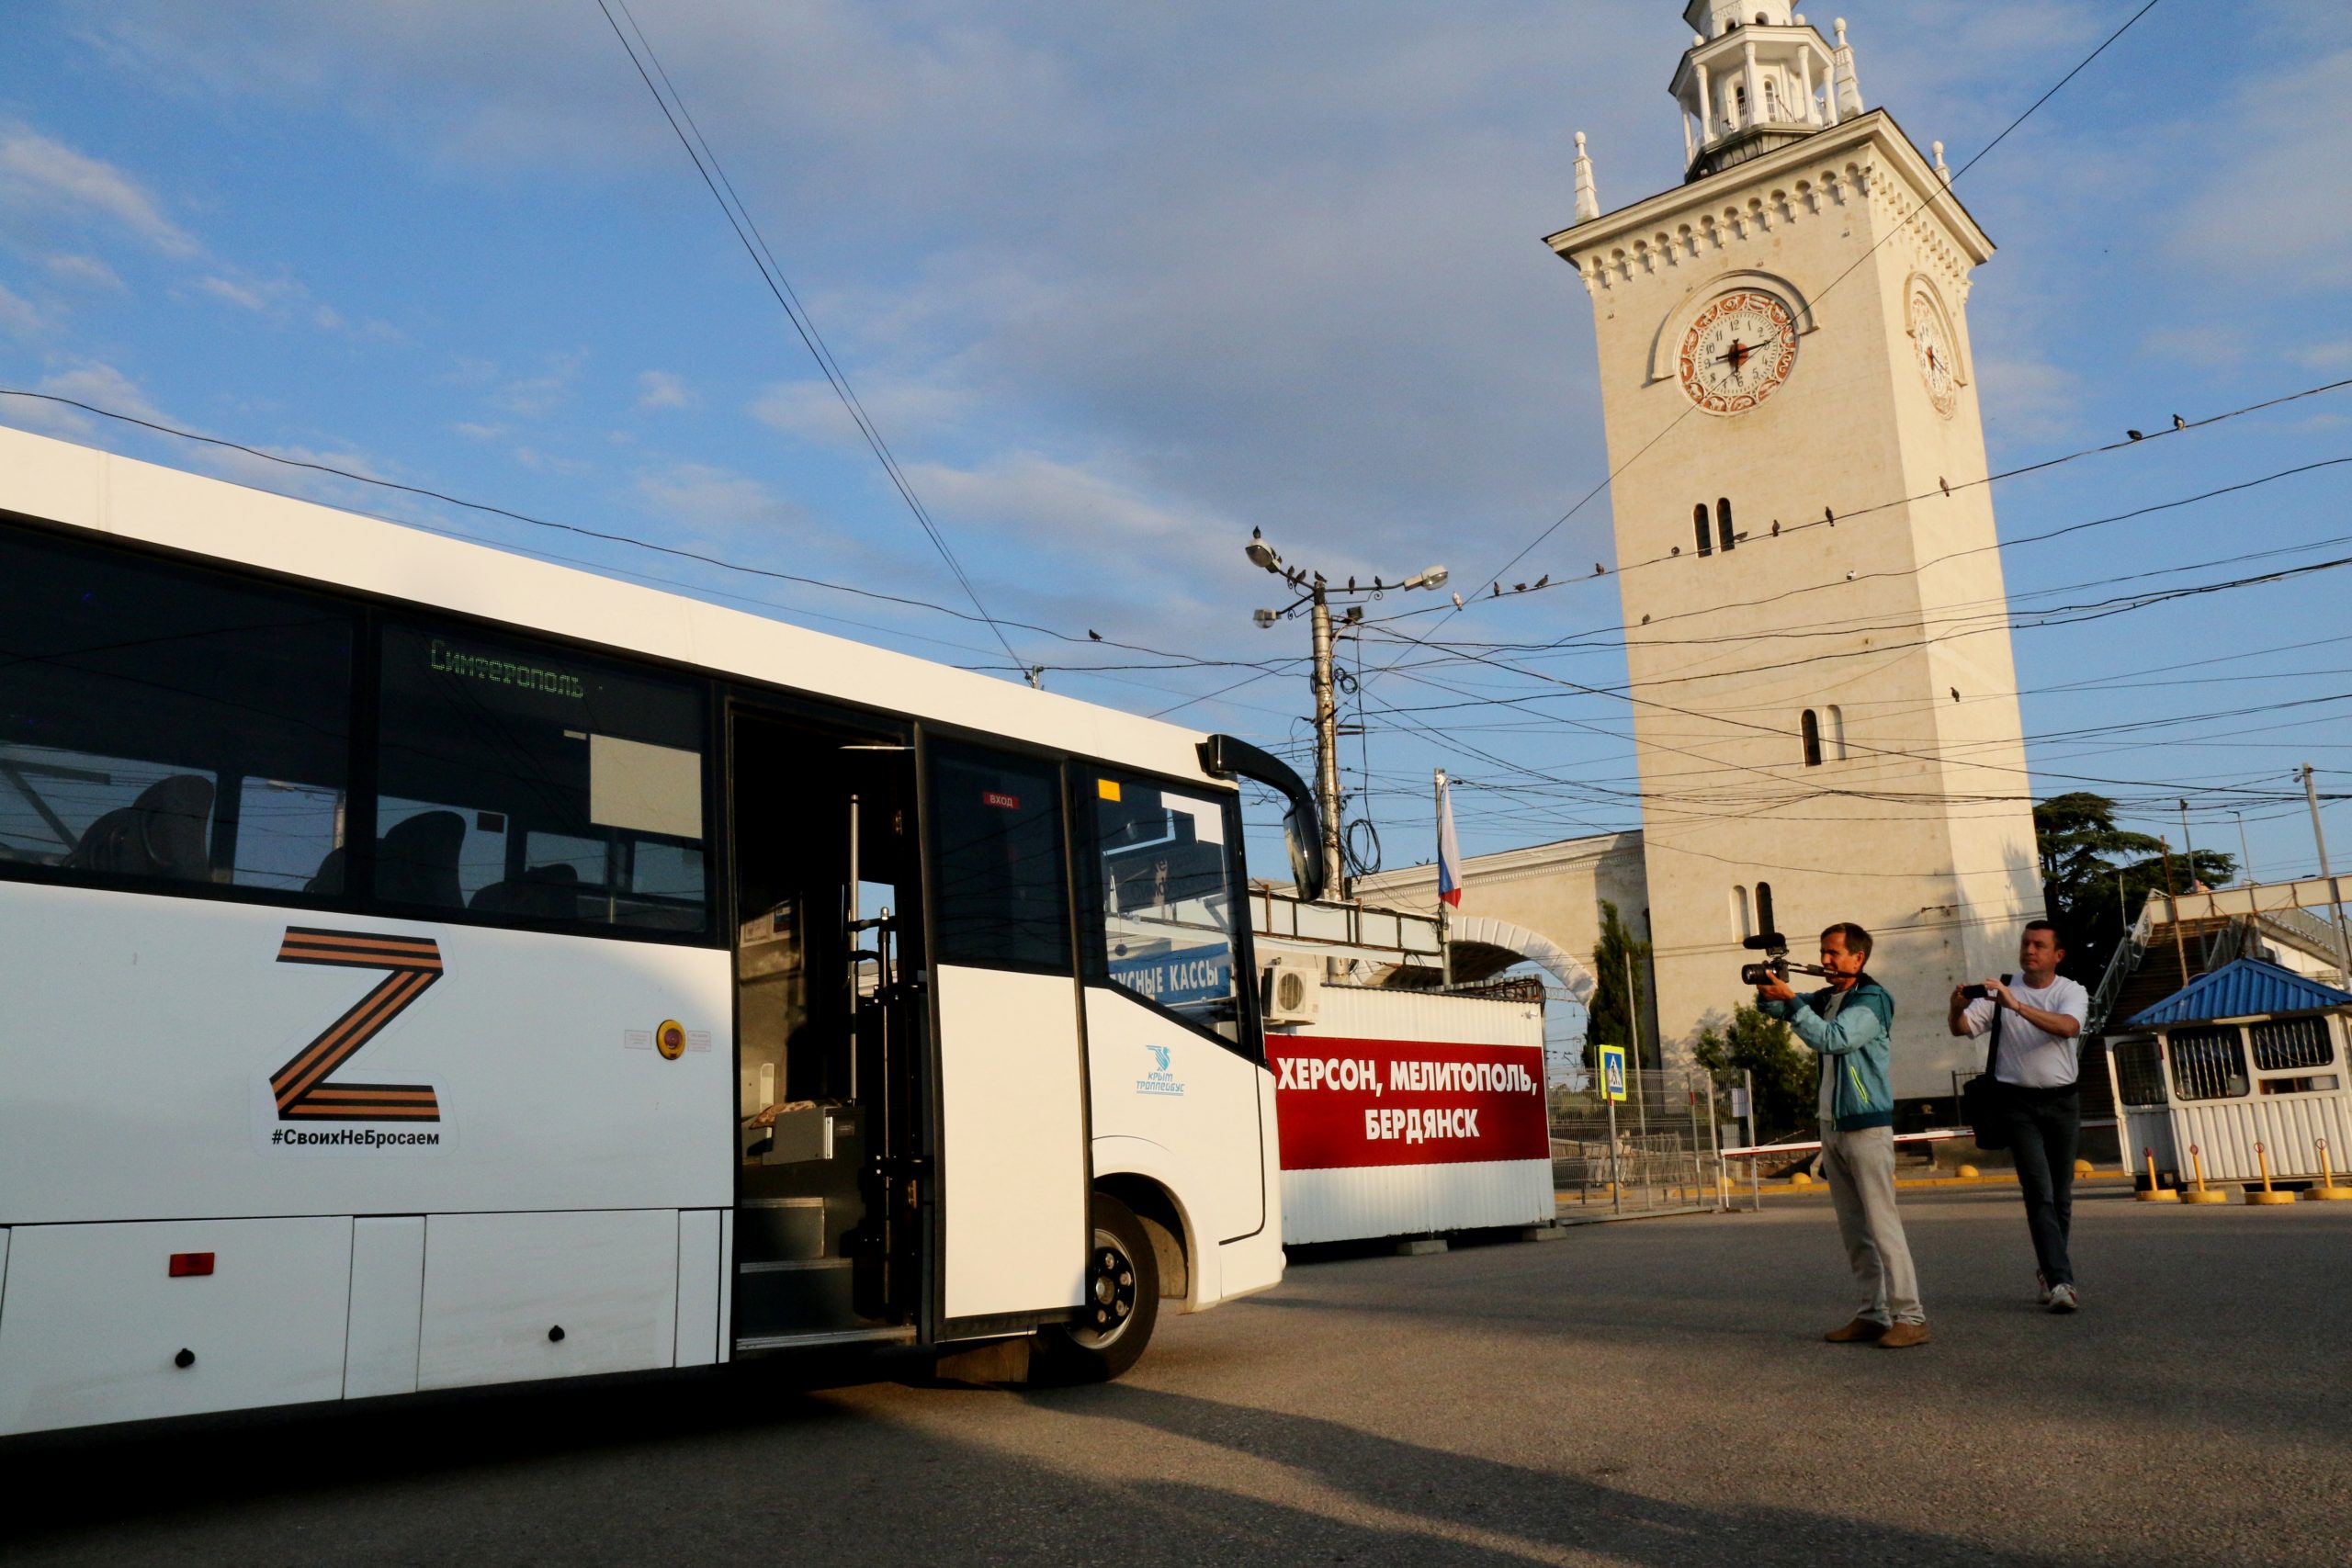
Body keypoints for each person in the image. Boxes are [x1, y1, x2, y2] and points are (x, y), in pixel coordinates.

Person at [1756, 923, 1928, 1348]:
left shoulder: (1872, 1000)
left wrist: (1793, 1002)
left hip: (1867, 1125)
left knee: (1883, 1227)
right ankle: (1872, 1313)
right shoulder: (1831, 997)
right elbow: (1777, 1011)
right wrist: (1768, 988)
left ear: (1859, 958)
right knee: (1855, 1231)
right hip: (1832, 1125)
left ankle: (1911, 1317)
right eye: (1823, 952)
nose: (1826, 961)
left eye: (1834, 953)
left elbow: (1835, 1039)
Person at [1950, 919, 2089, 1314]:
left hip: (2063, 1102)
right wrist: (1955, 1007)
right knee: (2039, 1191)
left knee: (2061, 1196)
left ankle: (2050, 1271)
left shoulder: (2070, 991)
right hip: (2016, 1104)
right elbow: (1962, 1029)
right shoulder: (2001, 990)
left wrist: (2017, 1006)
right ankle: (2062, 1281)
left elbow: (2068, 1028)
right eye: (2026, 943)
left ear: (2057, 955)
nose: (2029, 950)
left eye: (2039, 945)